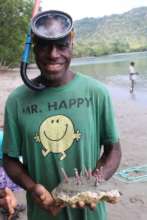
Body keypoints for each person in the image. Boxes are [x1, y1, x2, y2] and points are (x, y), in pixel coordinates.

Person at [2, 10, 121, 220]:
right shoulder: (17, 101)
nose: (53, 54)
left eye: (62, 45)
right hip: (43, 213)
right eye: (45, 46)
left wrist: (93, 183)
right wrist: (32, 187)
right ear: (34, 49)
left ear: (72, 46)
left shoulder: (96, 92)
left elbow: (113, 150)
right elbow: (10, 159)